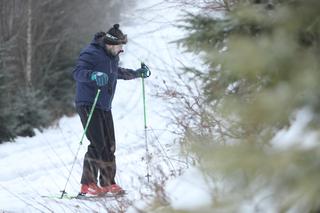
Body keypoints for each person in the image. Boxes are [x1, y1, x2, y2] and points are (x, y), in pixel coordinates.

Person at [73, 24, 150, 196]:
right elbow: (78, 72)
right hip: (88, 103)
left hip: (104, 105)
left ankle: (108, 183)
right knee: (97, 144)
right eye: (120, 46)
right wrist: (93, 75)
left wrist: (137, 73)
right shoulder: (91, 53)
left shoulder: (112, 57)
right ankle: (88, 183)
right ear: (110, 44)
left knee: (109, 145)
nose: (122, 49)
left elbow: (117, 72)